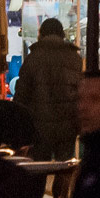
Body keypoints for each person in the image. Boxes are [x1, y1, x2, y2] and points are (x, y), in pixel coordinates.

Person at [16, 18, 83, 160]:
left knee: (39, 169)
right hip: (68, 126)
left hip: (39, 128)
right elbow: (80, 93)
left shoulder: (33, 58)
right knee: (64, 169)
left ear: (42, 34)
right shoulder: (75, 59)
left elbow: (21, 96)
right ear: (62, 35)